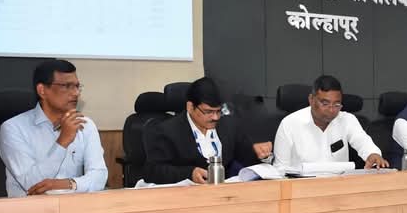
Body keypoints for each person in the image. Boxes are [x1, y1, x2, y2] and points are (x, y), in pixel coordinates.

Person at [0, 60, 107, 197]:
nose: (76, 93)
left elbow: (99, 176)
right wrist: (62, 141)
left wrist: (69, 184)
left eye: (77, 86)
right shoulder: (13, 129)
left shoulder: (85, 125)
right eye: (66, 86)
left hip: (75, 206)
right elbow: (32, 184)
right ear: (42, 90)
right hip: (29, 208)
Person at [144, 77, 273, 184]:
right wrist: (189, 173)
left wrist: (261, 153)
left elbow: (248, 160)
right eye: (208, 112)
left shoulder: (229, 125)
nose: (215, 117)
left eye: (219, 111)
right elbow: (153, 171)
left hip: (224, 196)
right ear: (190, 107)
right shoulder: (165, 131)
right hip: (183, 197)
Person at [273, 75, 388, 172]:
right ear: (311, 100)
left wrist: (372, 154)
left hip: (339, 186)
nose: (331, 110)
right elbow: (280, 169)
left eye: (337, 104)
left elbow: (362, 141)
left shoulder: (347, 120)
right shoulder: (289, 124)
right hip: (301, 187)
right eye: (325, 104)